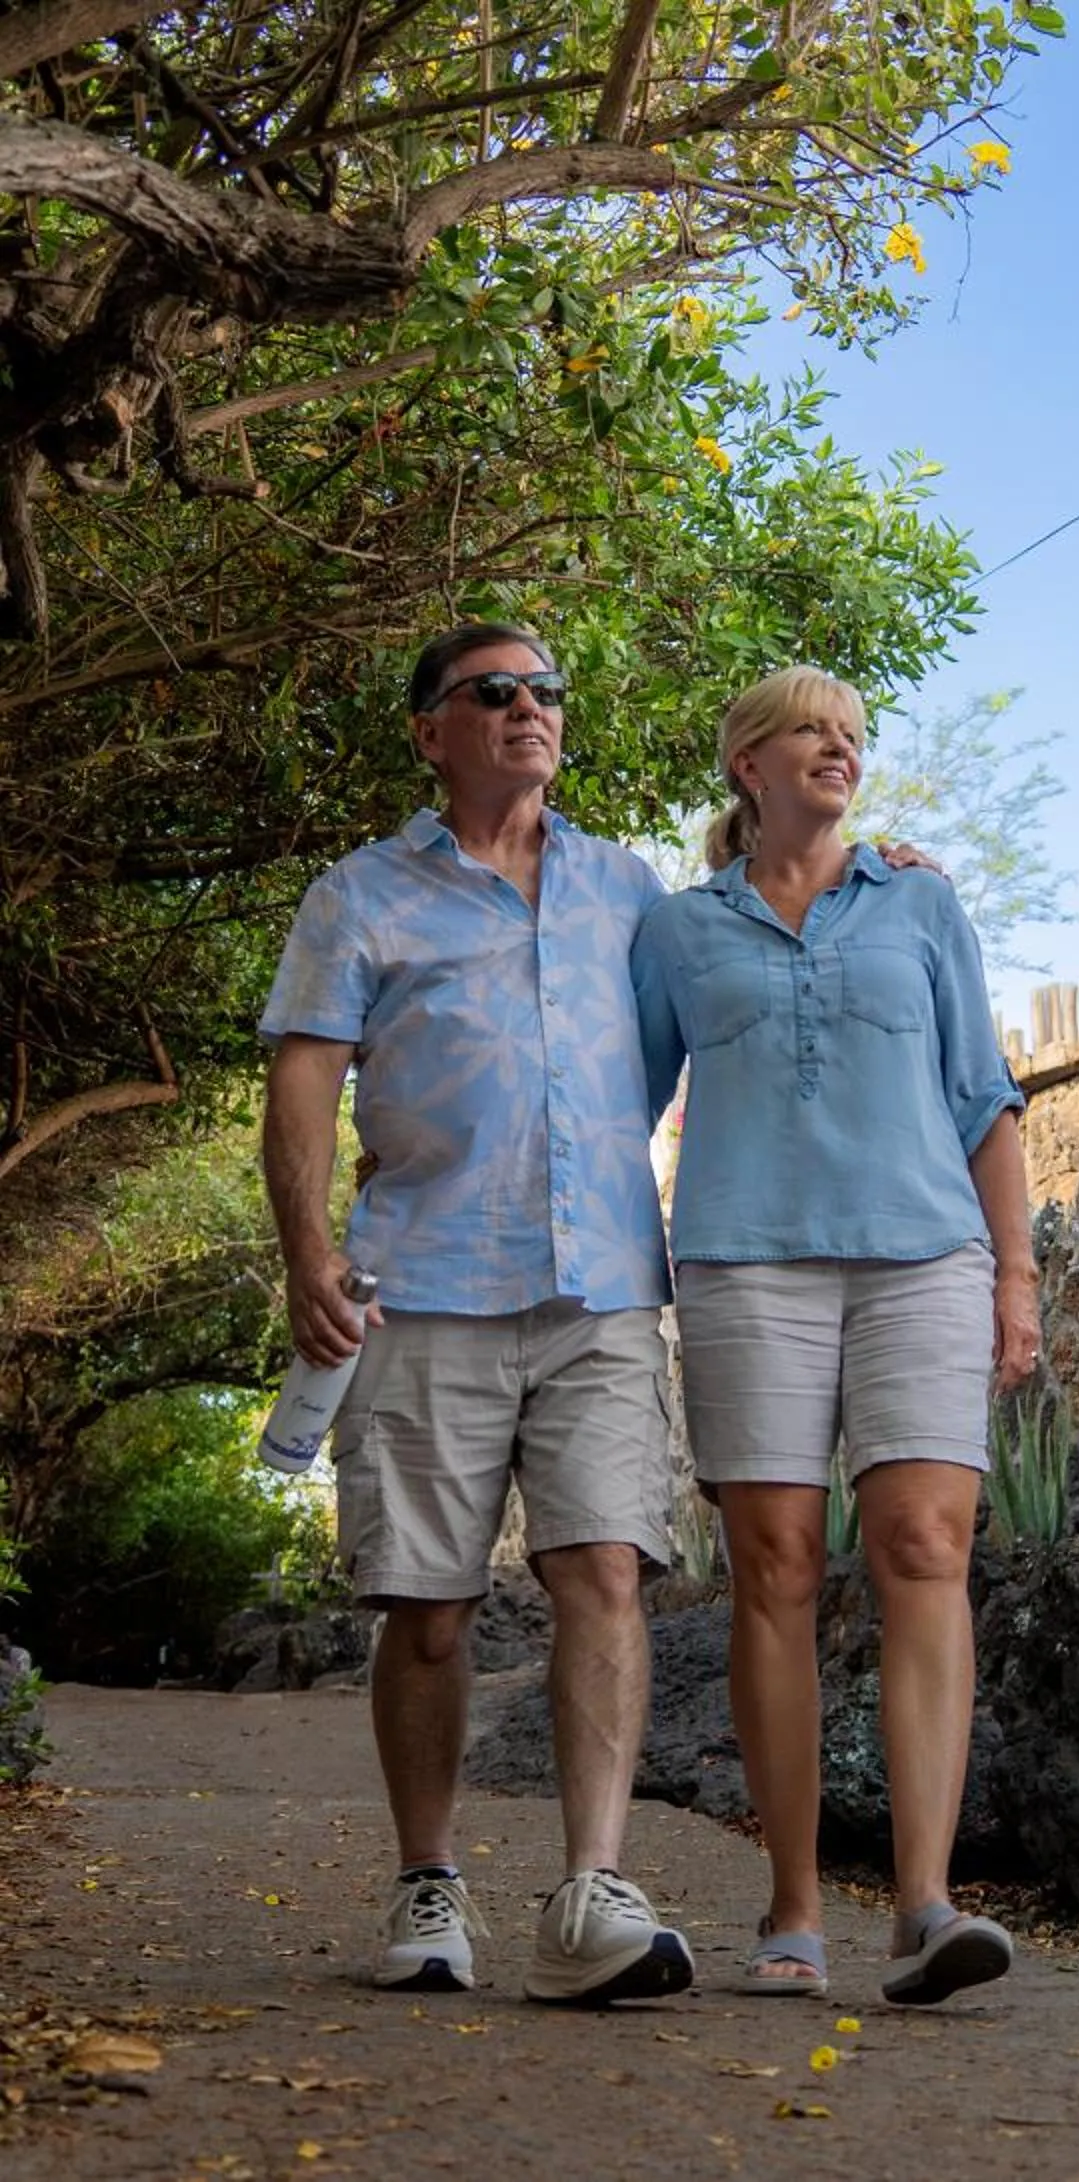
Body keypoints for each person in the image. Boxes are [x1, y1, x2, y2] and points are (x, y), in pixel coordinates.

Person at [260, 622, 697, 2004]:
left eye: (546, 690)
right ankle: (429, 1880)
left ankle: (595, 1888)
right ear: (429, 729)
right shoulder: (361, 897)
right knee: (433, 1608)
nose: (527, 709)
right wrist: (308, 1249)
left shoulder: (630, 891)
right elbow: (304, 1086)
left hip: (605, 1290)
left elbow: (761, 945)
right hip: (428, 1284)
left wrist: (876, 867)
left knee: (604, 1569)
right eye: (492, 691)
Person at [631, 663, 1042, 2006]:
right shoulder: (678, 934)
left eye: (855, 735)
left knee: (926, 1543)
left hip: (924, 1255)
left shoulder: (919, 899)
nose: (840, 749)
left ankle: (925, 1903)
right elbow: (622, 1105)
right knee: (777, 1567)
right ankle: (794, 1906)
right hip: (749, 1266)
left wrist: (1018, 1271)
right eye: (812, 729)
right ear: (746, 763)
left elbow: (984, 1097)